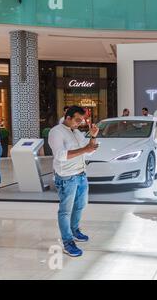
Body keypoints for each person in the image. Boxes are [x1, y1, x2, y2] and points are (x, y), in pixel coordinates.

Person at [48, 106, 100, 257]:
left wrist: (93, 137)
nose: (80, 123)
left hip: (81, 174)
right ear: (68, 117)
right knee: (65, 211)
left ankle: (75, 230)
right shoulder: (56, 132)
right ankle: (67, 241)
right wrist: (85, 150)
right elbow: (60, 155)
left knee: (80, 205)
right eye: (77, 120)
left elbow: (88, 149)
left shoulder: (76, 132)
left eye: (82, 120)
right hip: (66, 177)